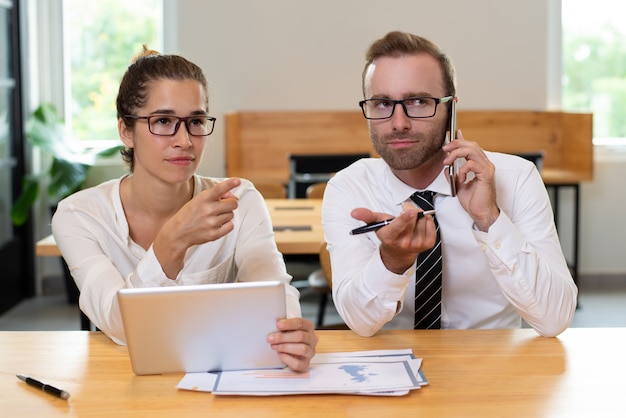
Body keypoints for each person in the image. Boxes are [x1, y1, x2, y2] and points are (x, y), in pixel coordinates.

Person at [51, 46, 317, 371]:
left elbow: (272, 293)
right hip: (124, 382)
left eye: (196, 121)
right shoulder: (79, 215)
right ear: (126, 131)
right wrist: (171, 244)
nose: (185, 140)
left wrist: (290, 333)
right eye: (163, 121)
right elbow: (118, 326)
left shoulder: (240, 200)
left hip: (222, 375)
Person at [322, 31, 578, 338]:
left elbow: (555, 319)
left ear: (451, 110)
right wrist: (392, 261)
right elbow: (360, 323)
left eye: (418, 102)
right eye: (382, 104)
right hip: (392, 366)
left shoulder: (516, 177)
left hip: (492, 369)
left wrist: (490, 220)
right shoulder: (349, 188)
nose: (399, 122)